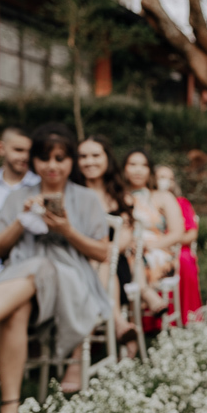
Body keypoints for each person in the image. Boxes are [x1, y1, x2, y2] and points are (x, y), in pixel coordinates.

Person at [0, 123, 111, 413]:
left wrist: (66, 230)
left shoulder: (86, 198)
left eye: (60, 158)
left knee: (40, 265)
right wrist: (21, 221)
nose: (52, 165)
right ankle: (10, 408)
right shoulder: (18, 198)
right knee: (16, 306)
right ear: (34, 161)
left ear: (70, 161)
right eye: (44, 158)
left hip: (71, 281)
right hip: (19, 285)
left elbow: (101, 252)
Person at [77, 135, 138, 363]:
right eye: (83, 156)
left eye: (95, 155)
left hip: (114, 263)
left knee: (102, 260)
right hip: (78, 262)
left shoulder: (120, 195)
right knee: (95, 261)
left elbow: (125, 237)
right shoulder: (72, 194)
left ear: (107, 159)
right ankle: (119, 323)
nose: (89, 161)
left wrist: (102, 251)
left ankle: (109, 327)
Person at [122, 150, 184, 318]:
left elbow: (177, 233)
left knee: (134, 256)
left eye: (143, 165)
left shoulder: (163, 197)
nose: (138, 170)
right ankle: (144, 294)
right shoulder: (118, 197)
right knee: (124, 257)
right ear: (124, 169)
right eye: (132, 164)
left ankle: (143, 293)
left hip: (158, 252)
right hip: (128, 250)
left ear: (150, 170)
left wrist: (149, 246)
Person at [154, 165, 202, 323]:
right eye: (162, 177)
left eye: (170, 178)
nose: (166, 182)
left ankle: (187, 316)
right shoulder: (147, 203)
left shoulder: (182, 203)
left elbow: (191, 234)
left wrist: (170, 240)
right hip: (152, 249)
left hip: (180, 249)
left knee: (184, 261)